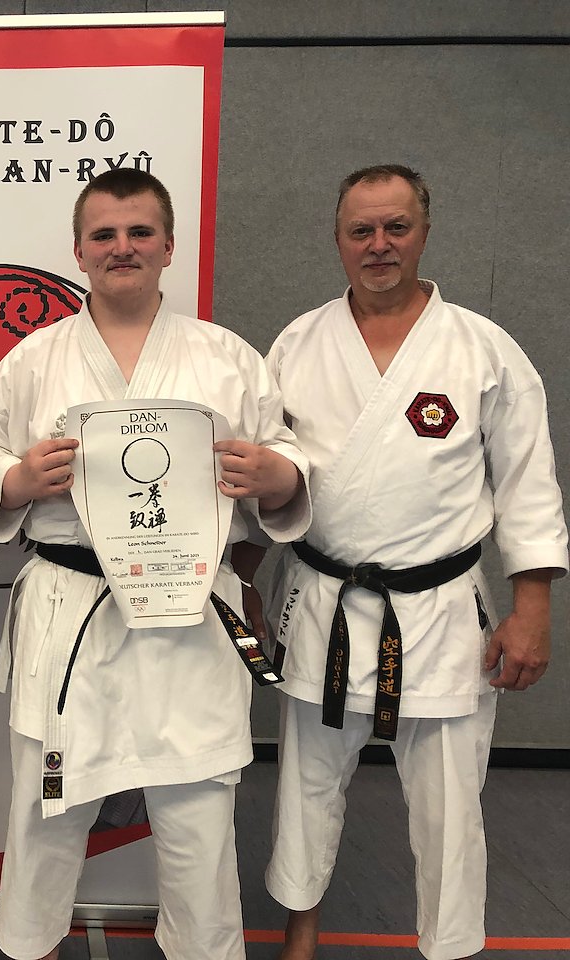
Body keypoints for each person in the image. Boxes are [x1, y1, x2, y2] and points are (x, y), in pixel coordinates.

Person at [0, 168, 311, 960]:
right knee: (47, 809)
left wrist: (275, 474)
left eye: (140, 232)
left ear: (169, 246)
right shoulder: (35, 358)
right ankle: (31, 947)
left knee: (197, 814)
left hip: (189, 607)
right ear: (79, 250)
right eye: (105, 235)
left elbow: (288, 458)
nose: (123, 247)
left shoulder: (227, 357)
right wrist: (18, 478)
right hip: (72, 602)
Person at [263, 163, 568, 960]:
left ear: (425, 232)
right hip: (323, 600)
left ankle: (451, 945)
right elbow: (267, 468)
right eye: (361, 230)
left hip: (440, 610)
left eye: (396, 227)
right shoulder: (298, 342)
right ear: (337, 239)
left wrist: (532, 609)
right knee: (305, 787)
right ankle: (300, 934)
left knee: (449, 805)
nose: (379, 244)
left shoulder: (482, 348)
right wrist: (245, 577)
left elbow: (528, 484)